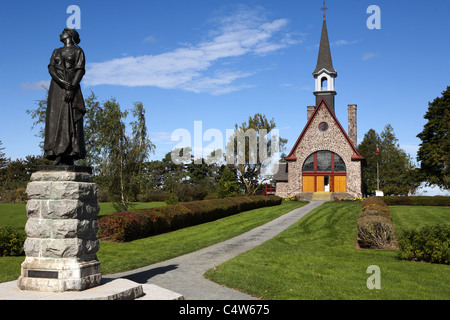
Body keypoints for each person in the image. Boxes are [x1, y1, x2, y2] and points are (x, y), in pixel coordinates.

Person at [44, 28, 86, 165]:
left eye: (62, 32)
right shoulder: (56, 51)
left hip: (72, 87)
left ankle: (69, 153)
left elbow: (80, 70)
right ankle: (56, 152)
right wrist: (62, 83)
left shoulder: (78, 51)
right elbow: (51, 68)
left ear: (69, 35)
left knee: (71, 118)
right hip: (57, 87)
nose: (59, 34)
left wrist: (71, 88)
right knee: (54, 119)